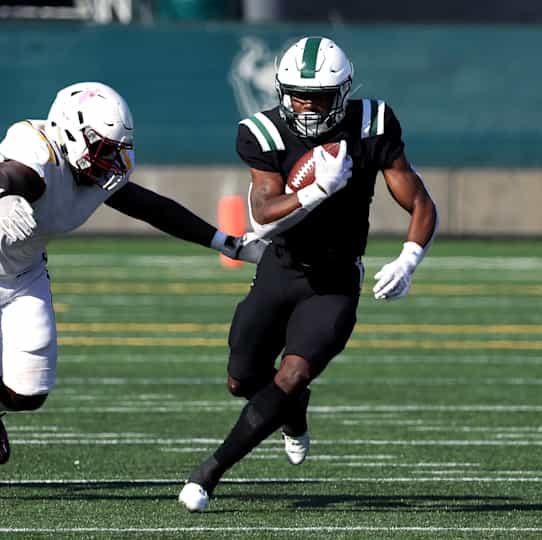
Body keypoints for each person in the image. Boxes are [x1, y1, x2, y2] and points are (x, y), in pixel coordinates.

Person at [0, 81, 266, 500]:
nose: (111, 158)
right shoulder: (36, 149)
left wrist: (228, 243)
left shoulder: (101, 173)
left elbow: (151, 207)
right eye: (103, 146)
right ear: (71, 131)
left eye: (115, 148)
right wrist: (0, 197)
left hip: (24, 273)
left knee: (29, 391)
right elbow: (2, 175)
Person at [178, 36, 438, 512]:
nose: (307, 104)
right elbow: (262, 216)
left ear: (343, 92)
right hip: (280, 268)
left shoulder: (372, 124)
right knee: (240, 380)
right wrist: (318, 190)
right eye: (298, 93)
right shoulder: (262, 132)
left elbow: (419, 200)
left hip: (335, 280)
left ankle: (209, 473)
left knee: (293, 373)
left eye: (319, 95)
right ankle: (292, 416)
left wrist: (409, 257)